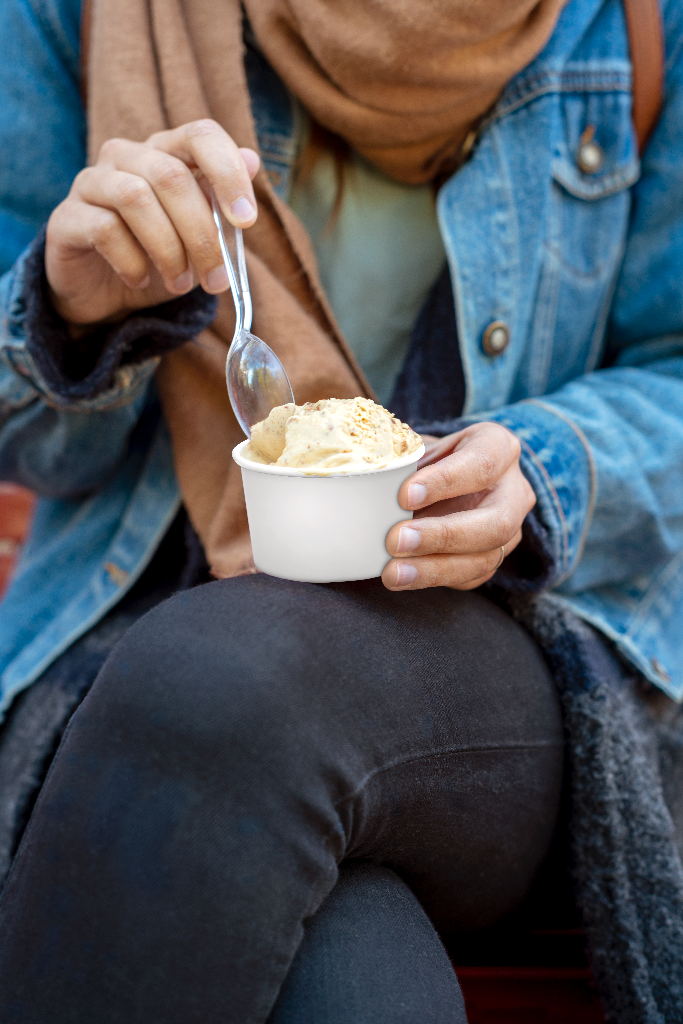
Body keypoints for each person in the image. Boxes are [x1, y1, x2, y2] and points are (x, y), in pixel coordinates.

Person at [0, 0, 682, 1021]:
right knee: (350, 973)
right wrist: (70, 308)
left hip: (503, 663)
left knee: (220, 678)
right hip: (133, 648)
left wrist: (540, 473)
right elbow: (34, 447)